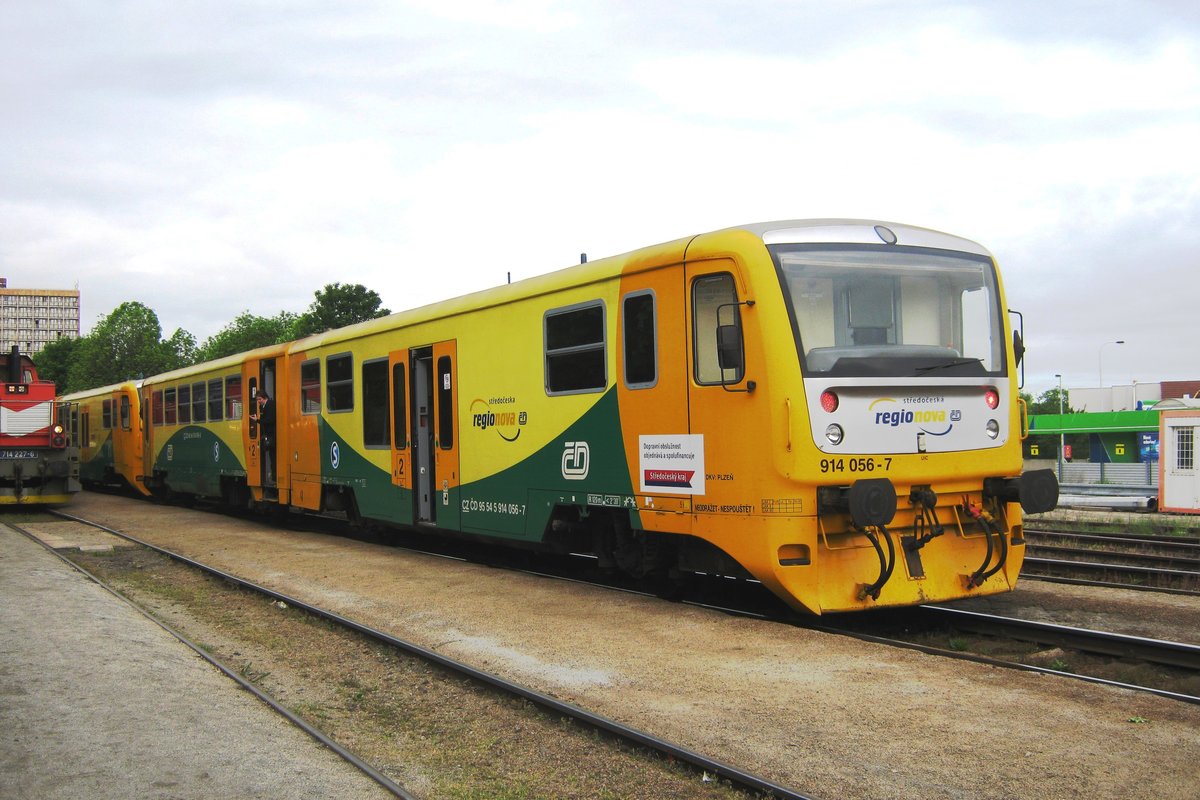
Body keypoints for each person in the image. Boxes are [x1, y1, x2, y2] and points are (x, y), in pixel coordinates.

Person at [251, 390, 276, 485]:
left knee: (273, 456)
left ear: (264, 397)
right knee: (270, 455)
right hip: (268, 435)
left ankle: (273, 477)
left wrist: (258, 420)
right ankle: (271, 476)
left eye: (260, 399)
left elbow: (270, 420)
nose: (259, 401)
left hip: (271, 435)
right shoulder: (263, 406)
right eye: (257, 400)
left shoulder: (270, 405)